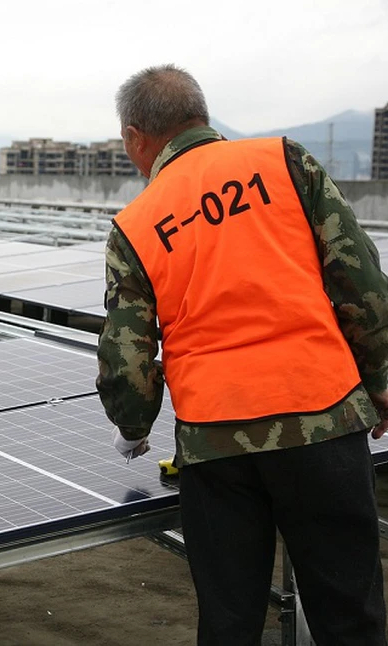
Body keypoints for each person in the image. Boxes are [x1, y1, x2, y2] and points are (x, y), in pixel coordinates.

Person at [97, 64, 388, 646]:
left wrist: (132, 426)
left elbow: (126, 353)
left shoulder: (135, 223)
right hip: (321, 417)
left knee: (230, 619)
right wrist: (379, 378)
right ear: (201, 115)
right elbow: (361, 283)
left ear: (135, 137)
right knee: (349, 612)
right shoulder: (284, 161)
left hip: (215, 439)